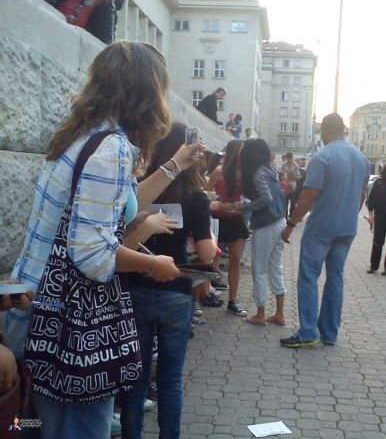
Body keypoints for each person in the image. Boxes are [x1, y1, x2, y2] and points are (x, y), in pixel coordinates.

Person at [2, 41, 203, 439]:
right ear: (147, 93)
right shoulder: (110, 149)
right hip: (67, 327)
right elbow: (92, 254)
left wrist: (176, 164)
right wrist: (154, 264)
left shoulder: (87, 137)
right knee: (72, 429)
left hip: (36, 312)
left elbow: (117, 208)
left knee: (33, 422)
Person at [120, 122, 217, 439]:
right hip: (176, 292)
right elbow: (207, 254)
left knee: (136, 376)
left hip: (135, 288)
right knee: (171, 380)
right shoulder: (196, 198)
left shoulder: (138, 192)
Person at [280, 113, 370, 347]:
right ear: (343, 130)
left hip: (321, 227)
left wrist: (290, 224)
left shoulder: (322, 157)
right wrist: (350, 213)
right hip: (347, 228)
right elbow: (362, 195)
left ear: (326, 132)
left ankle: (308, 332)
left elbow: (309, 195)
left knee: (309, 276)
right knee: (336, 278)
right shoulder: (361, 158)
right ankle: (329, 333)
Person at [239, 139, 287, 326]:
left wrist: (246, 207)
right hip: (280, 220)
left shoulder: (257, 172)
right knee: (275, 267)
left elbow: (266, 198)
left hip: (266, 223)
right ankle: (279, 314)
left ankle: (260, 314)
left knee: (259, 269)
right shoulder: (270, 169)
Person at [205, 140, 248, 317]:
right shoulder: (219, 171)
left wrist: (243, 205)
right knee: (208, 258)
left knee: (235, 260)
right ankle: (200, 296)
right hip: (216, 219)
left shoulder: (245, 172)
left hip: (235, 219)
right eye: (241, 151)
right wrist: (219, 205)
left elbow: (249, 196)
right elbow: (204, 196)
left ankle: (233, 301)